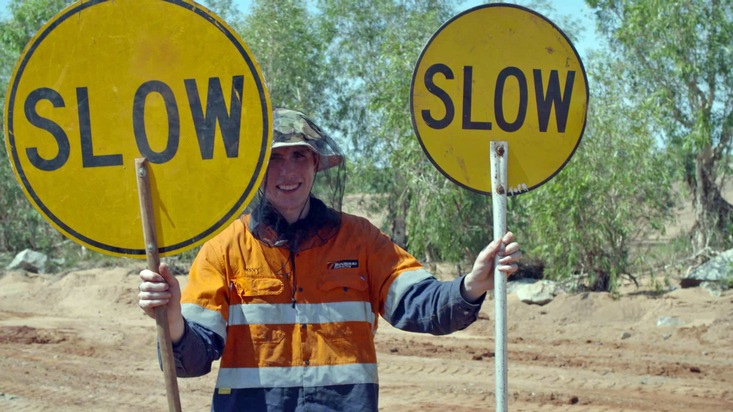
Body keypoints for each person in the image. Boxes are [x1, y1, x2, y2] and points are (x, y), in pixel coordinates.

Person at [138, 108, 521, 411]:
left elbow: (421, 304)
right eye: (275, 158)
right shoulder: (224, 249)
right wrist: (171, 319)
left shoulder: (361, 239)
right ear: (256, 168)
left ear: (316, 164)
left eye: (299, 156)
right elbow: (190, 359)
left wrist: (472, 285)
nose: (287, 171)